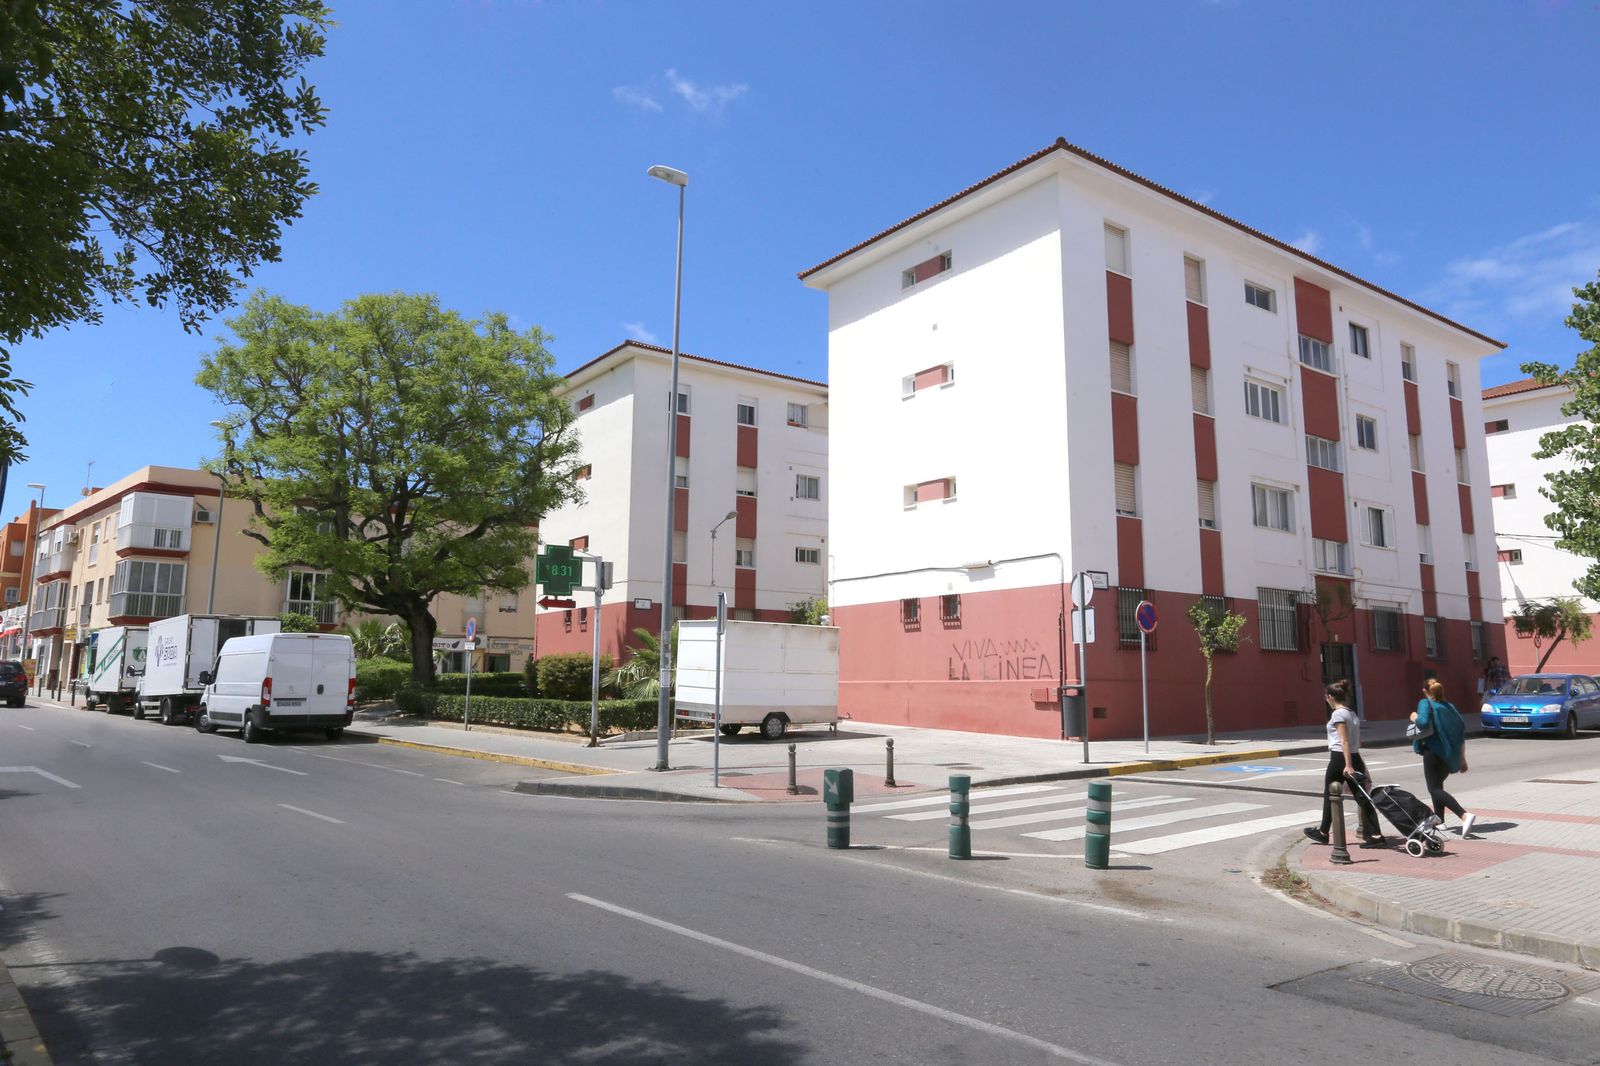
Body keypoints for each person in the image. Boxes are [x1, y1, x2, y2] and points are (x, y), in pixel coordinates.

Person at [1304, 679, 1385, 847]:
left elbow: (1344, 740)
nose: (1326, 700)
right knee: (1362, 796)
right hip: (1354, 755)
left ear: (1331, 697)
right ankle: (1376, 835)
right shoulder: (1352, 713)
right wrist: (1354, 761)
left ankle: (1323, 832)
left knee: (1330, 794)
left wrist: (1348, 765)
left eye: (1326, 697)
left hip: (1340, 758)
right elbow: (1358, 742)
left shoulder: (1338, 714)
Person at [1411, 679, 1475, 837]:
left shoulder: (1425, 703)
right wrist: (1462, 758)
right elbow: (1461, 733)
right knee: (1438, 786)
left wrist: (1414, 717)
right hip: (1449, 755)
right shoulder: (1450, 707)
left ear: (1425, 691)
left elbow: (1423, 722)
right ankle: (1440, 821)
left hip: (1432, 752)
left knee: (1434, 789)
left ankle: (1464, 815)